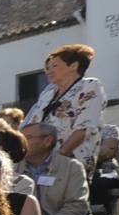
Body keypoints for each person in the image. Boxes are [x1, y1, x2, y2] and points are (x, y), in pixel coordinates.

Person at [22, 43, 105, 174]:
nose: (49, 71)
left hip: (70, 161)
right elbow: (31, 123)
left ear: (73, 66)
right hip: (38, 162)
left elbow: (86, 127)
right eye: (48, 68)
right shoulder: (47, 93)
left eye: (55, 66)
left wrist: (59, 157)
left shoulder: (90, 85)